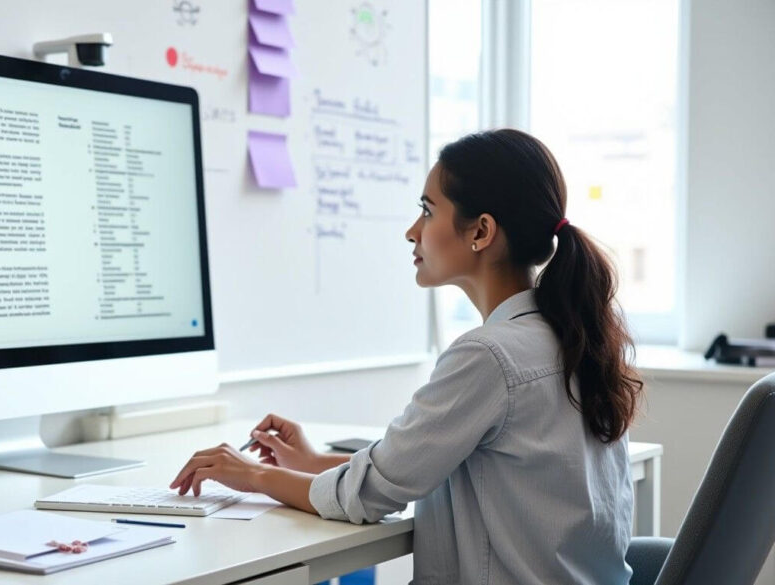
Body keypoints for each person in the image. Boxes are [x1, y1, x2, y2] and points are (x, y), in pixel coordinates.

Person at [170, 129, 643, 584]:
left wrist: (253, 474)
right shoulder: (570, 336)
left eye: (427, 210)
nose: (411, 231)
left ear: (481, 231)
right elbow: (408, 467)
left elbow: (368, 495)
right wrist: (310, 462)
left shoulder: (489, 356)